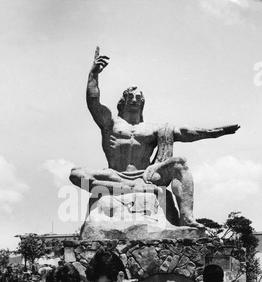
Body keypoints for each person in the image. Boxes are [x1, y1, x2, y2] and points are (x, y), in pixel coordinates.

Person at [69, 46, 240, 228]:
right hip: (115, 174)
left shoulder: (154, 128)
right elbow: (93, 101)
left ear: (142, 103)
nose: (134, 99)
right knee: (76, 174)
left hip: (147, 177)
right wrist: (93, 74)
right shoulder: (110, 123)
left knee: (180, 163)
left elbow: (185, 133)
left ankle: (187, 217)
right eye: (130, 96)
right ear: (123, 101)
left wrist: (214, 133)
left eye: (137, 97)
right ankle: (129, 188)